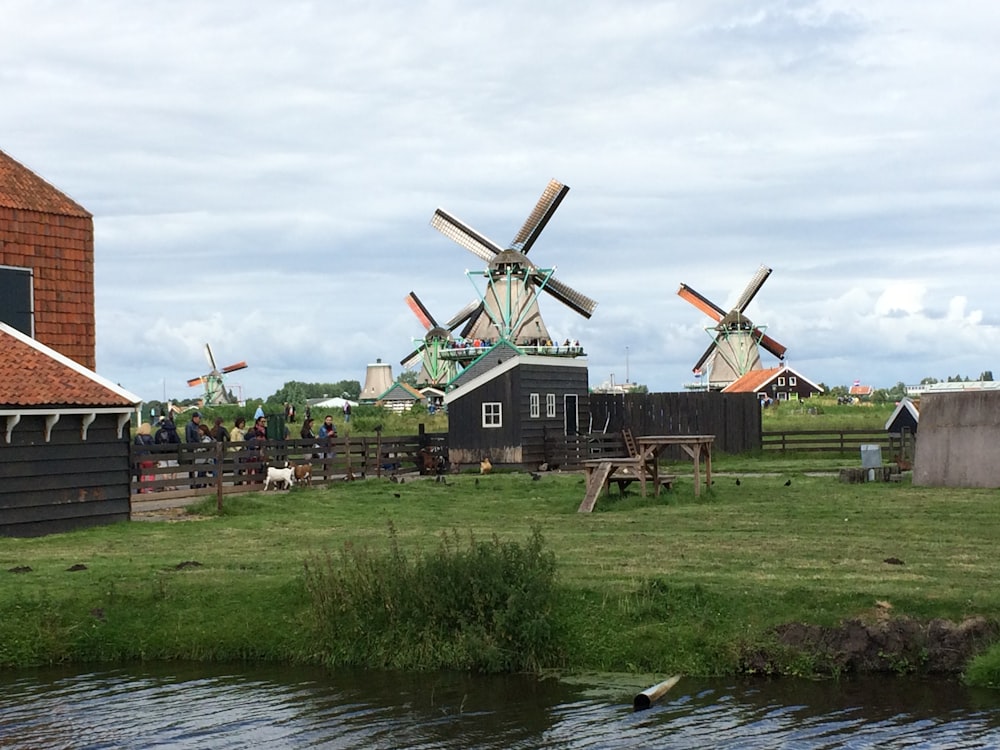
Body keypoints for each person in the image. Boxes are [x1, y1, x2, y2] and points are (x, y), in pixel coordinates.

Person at [133, 422, 155, 493]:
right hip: (148, 456)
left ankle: (142, 489)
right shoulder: (149, 437)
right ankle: (150, 488)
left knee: (142, 474)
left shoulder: (137, 437)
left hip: (140, 457)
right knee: (151, 473)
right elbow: (153, 447)